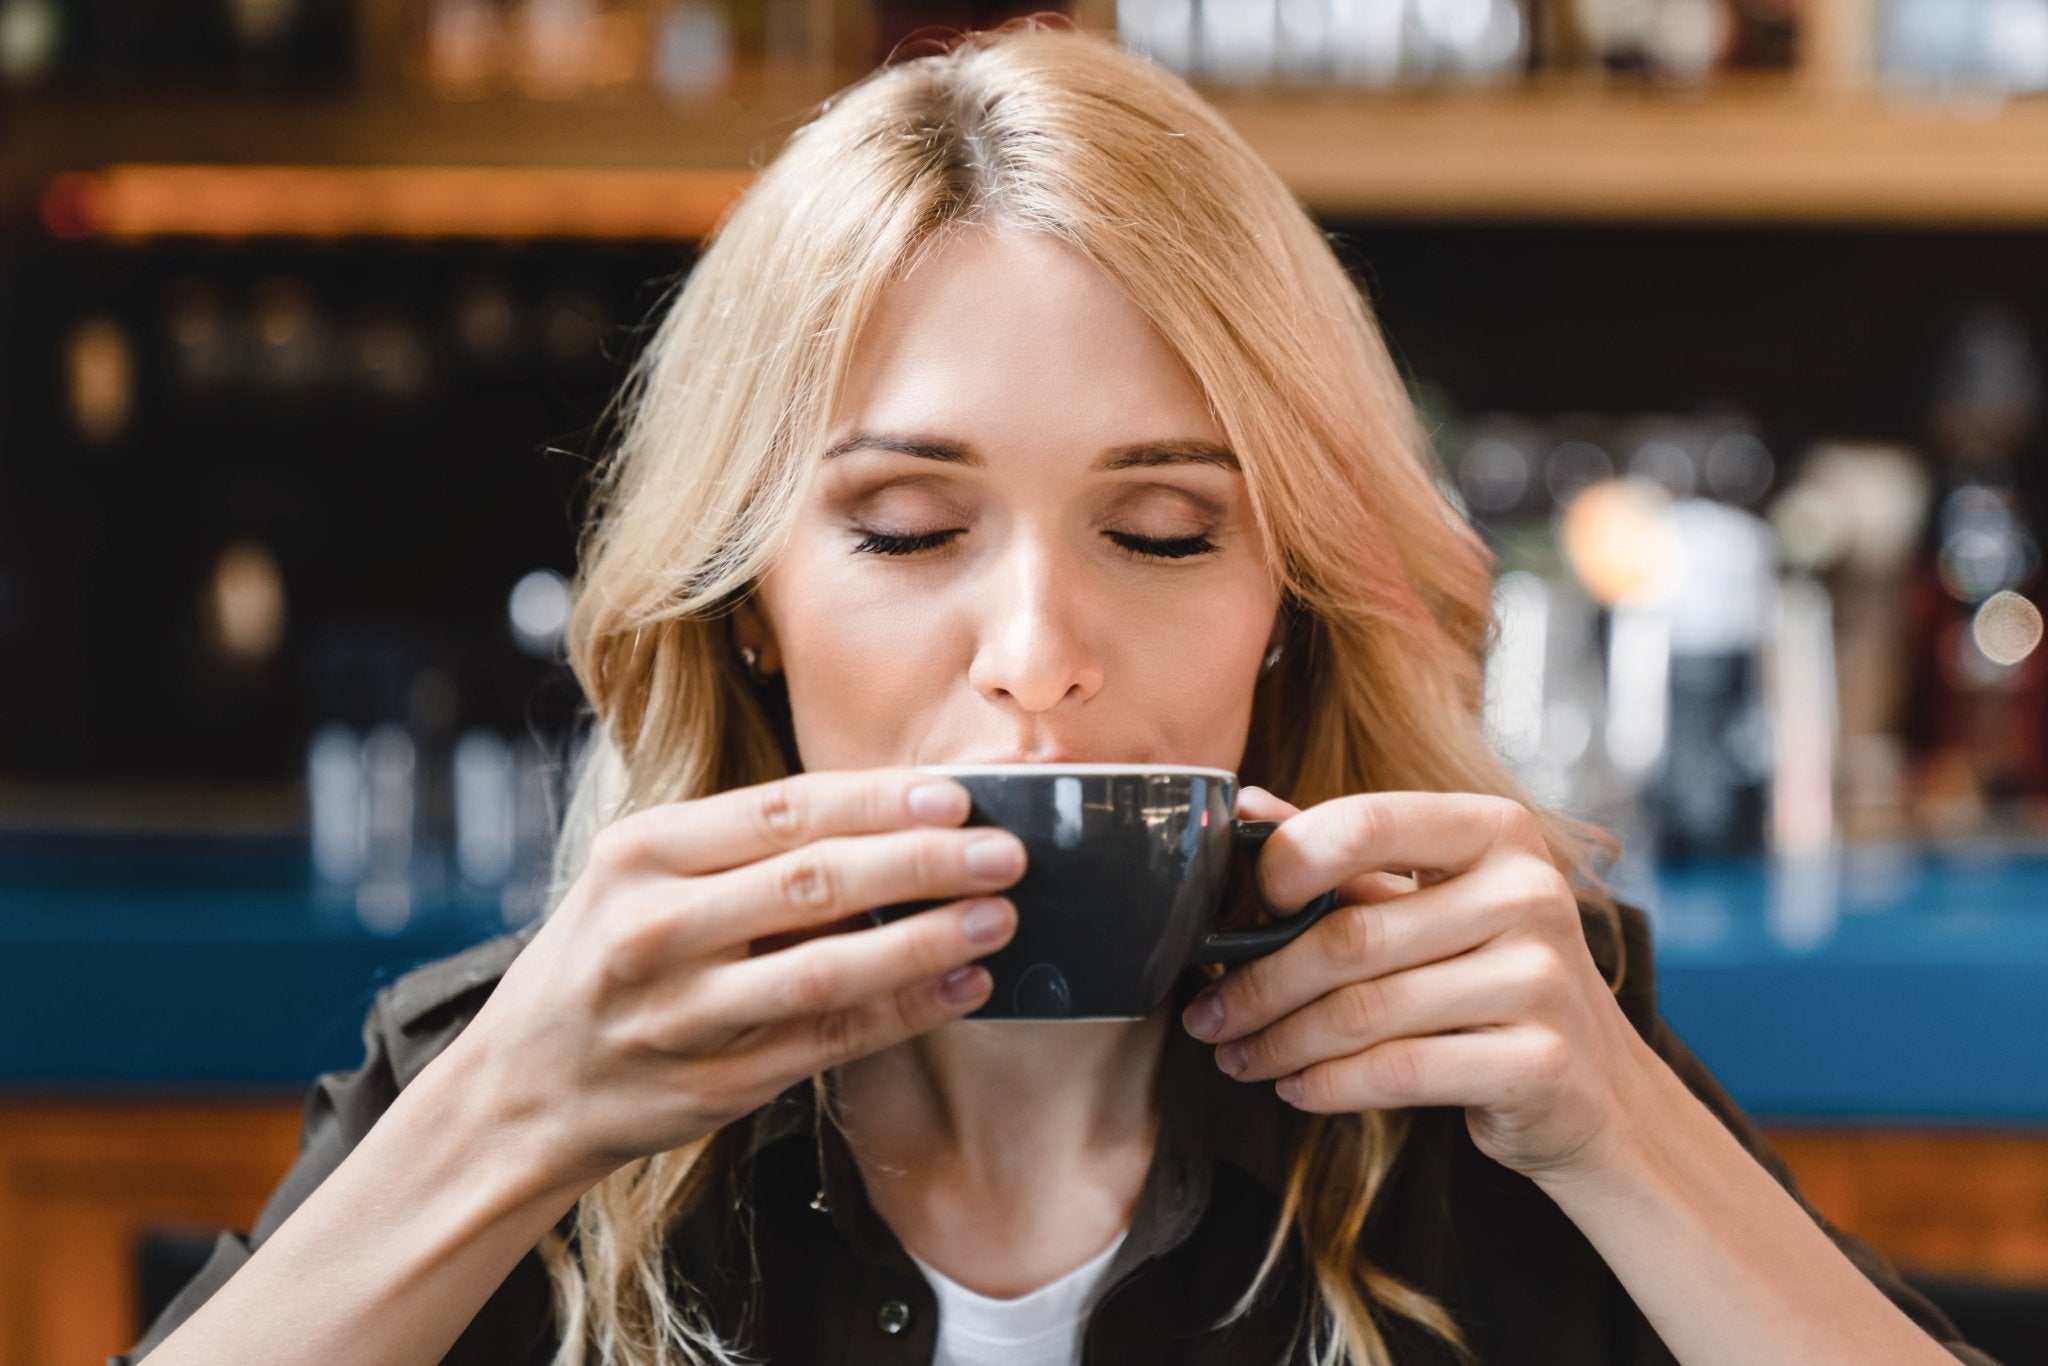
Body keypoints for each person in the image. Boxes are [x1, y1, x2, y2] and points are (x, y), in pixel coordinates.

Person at [123, 22, 1999, 1366]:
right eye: (910, 528)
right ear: (751, 605)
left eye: (1170, 531)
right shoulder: (490, 1082)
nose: (1037, 653)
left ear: (1291, 603)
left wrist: (1626, 1128)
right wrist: (501, 1125)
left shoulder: (1510, 1073)